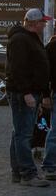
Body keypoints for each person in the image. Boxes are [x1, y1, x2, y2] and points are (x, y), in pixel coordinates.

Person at [6, 8, 52, 187]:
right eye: (43, 21)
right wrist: (27, 93)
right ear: (34, 23)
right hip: (22, 93)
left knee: (19, 133)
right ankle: (27, 174)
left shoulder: (30, 38)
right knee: (23, 135)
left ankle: (18, 171)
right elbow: (17, 70)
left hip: (30, 92)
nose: (45, 24)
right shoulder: (20, 40)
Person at [41, 34, 56, 180]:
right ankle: (49, 166)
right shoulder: (51, 47)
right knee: (55, 130)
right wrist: (45, 95)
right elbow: (44, 73)